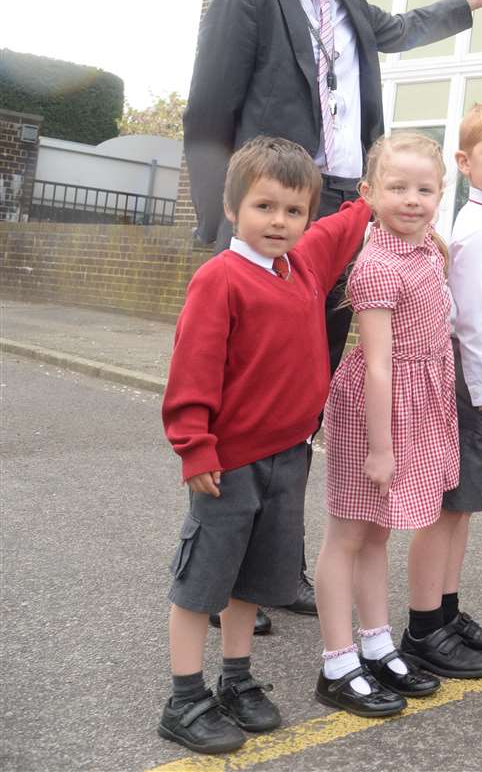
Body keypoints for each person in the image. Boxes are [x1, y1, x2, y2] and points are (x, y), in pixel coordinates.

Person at [183, 0, 482, 616]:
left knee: (311, 393)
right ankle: (229, 575)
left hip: (347, 204)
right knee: (256, 390)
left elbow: (395, 33)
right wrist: (224, 229)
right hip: (282, 205)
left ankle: (278, 570)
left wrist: (467, 6)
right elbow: (206, 114)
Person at [157, 137, 371, 754]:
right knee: (203, 583)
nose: (279, 221)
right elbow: (192, 370)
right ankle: (185, 696)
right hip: (227, 462)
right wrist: (194, 446)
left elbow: (345, 224)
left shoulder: (301, 266)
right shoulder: (218, 279)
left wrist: (374, 194)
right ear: (233, 210)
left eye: (294, 211)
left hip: (289, 455)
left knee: (250, 582)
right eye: (264, 207)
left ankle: (236, 679)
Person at [313, 133, 461, 718]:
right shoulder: (374, 266)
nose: (412, 199)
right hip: (374, 413)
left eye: (425, 189)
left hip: (414, 406)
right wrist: (380, 447)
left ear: (441, 193)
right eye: (397, 188)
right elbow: (378, 363)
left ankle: (376, 644)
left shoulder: (428, 250)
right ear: (369, 193)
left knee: (377, 531)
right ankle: (337, 661)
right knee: (347, 536)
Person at [402, 103, 482, 677]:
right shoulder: (479, 228)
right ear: (464, 161)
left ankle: (447, 612)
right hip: (475, 371)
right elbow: (473, 320)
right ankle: (423, 627)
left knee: (464, 505)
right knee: (444, 504)